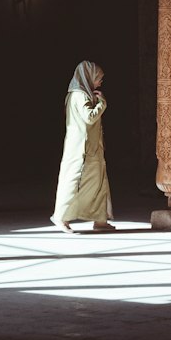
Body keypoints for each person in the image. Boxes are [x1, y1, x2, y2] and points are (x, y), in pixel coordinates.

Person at [50, 60, 116, 233]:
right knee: (73, 183)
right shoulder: (79, 95)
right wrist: (102, 104)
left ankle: (100, 220)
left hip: (90, 148)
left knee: (98, 183)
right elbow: (89, 117)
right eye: (98, 78)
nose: (101, 81)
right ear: (89, 76)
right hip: (81, 150)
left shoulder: (81, 94)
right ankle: (60, 217)